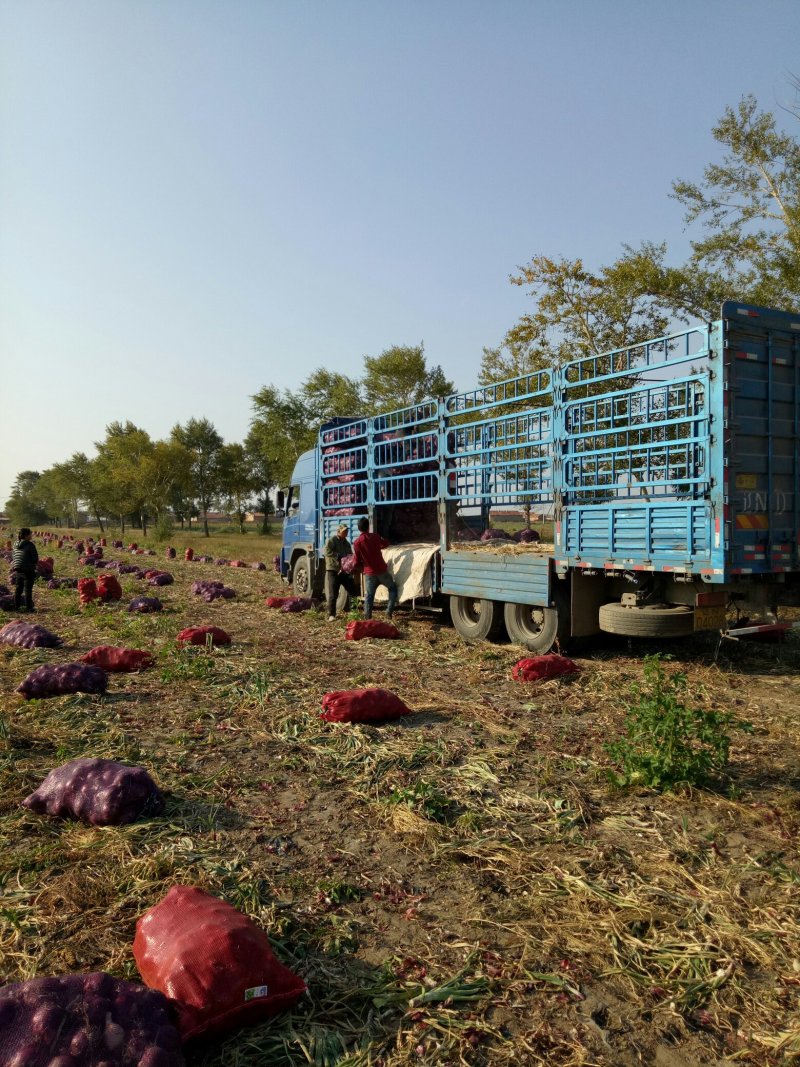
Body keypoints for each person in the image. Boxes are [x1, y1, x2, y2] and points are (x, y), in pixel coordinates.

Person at [352, 516, 398, 620]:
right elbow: (385, 543)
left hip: (369, 574)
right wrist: (378, 546)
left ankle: (367, 618)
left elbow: (356, 560)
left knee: (369, 596)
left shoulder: (357, 543)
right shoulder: (375, 537)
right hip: (382, 571)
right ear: (368, 527)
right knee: (392, 588)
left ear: (359, 529)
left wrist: (357, 568)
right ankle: (388, 612)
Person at [324, 523, 357, 621]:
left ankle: (354, 612)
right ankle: (331, 615)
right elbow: (326, 551)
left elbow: (349, 554)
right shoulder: (332, 540)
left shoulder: (346, 543)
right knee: (333, 593)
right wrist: (337, 555)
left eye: (347, 531)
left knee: (353, 591)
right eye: (344, 531)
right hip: (333, 570)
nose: (346, 532)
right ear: (339, 532)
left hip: (344, 571)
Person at [12, 527, 39, 612]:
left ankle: (17, 607)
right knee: (28, 589)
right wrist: (34, 565)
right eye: (30, 533)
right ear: (26, 535)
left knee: (18, 588)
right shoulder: (30, 544)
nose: (31, 535)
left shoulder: (15, 544)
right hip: (28, 569)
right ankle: (29, 608)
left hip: (18, 568)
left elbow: (14, 556)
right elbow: (35, 558)